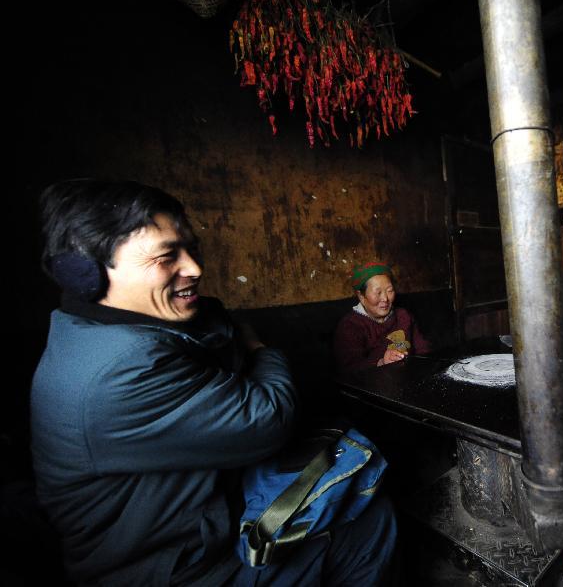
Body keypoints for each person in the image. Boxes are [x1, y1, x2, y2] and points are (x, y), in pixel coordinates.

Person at [31, 179, 396, 586]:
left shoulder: (106, 326)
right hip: (172, 568)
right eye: (167, 257)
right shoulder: (120, 369)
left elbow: (218, 317)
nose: (195, 269)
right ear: (86, 273)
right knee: (369, 524)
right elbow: (268, 417)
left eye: (191, 249)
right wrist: (259, 348)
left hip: (195, 531)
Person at [333, 262, 430, 371]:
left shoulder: (403, 316)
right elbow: (349, 369)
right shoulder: (350, 326)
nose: (385, 298)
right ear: (361, 296)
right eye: (378, 292)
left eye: (390, 291)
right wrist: (381, 363)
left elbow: (423, 350)